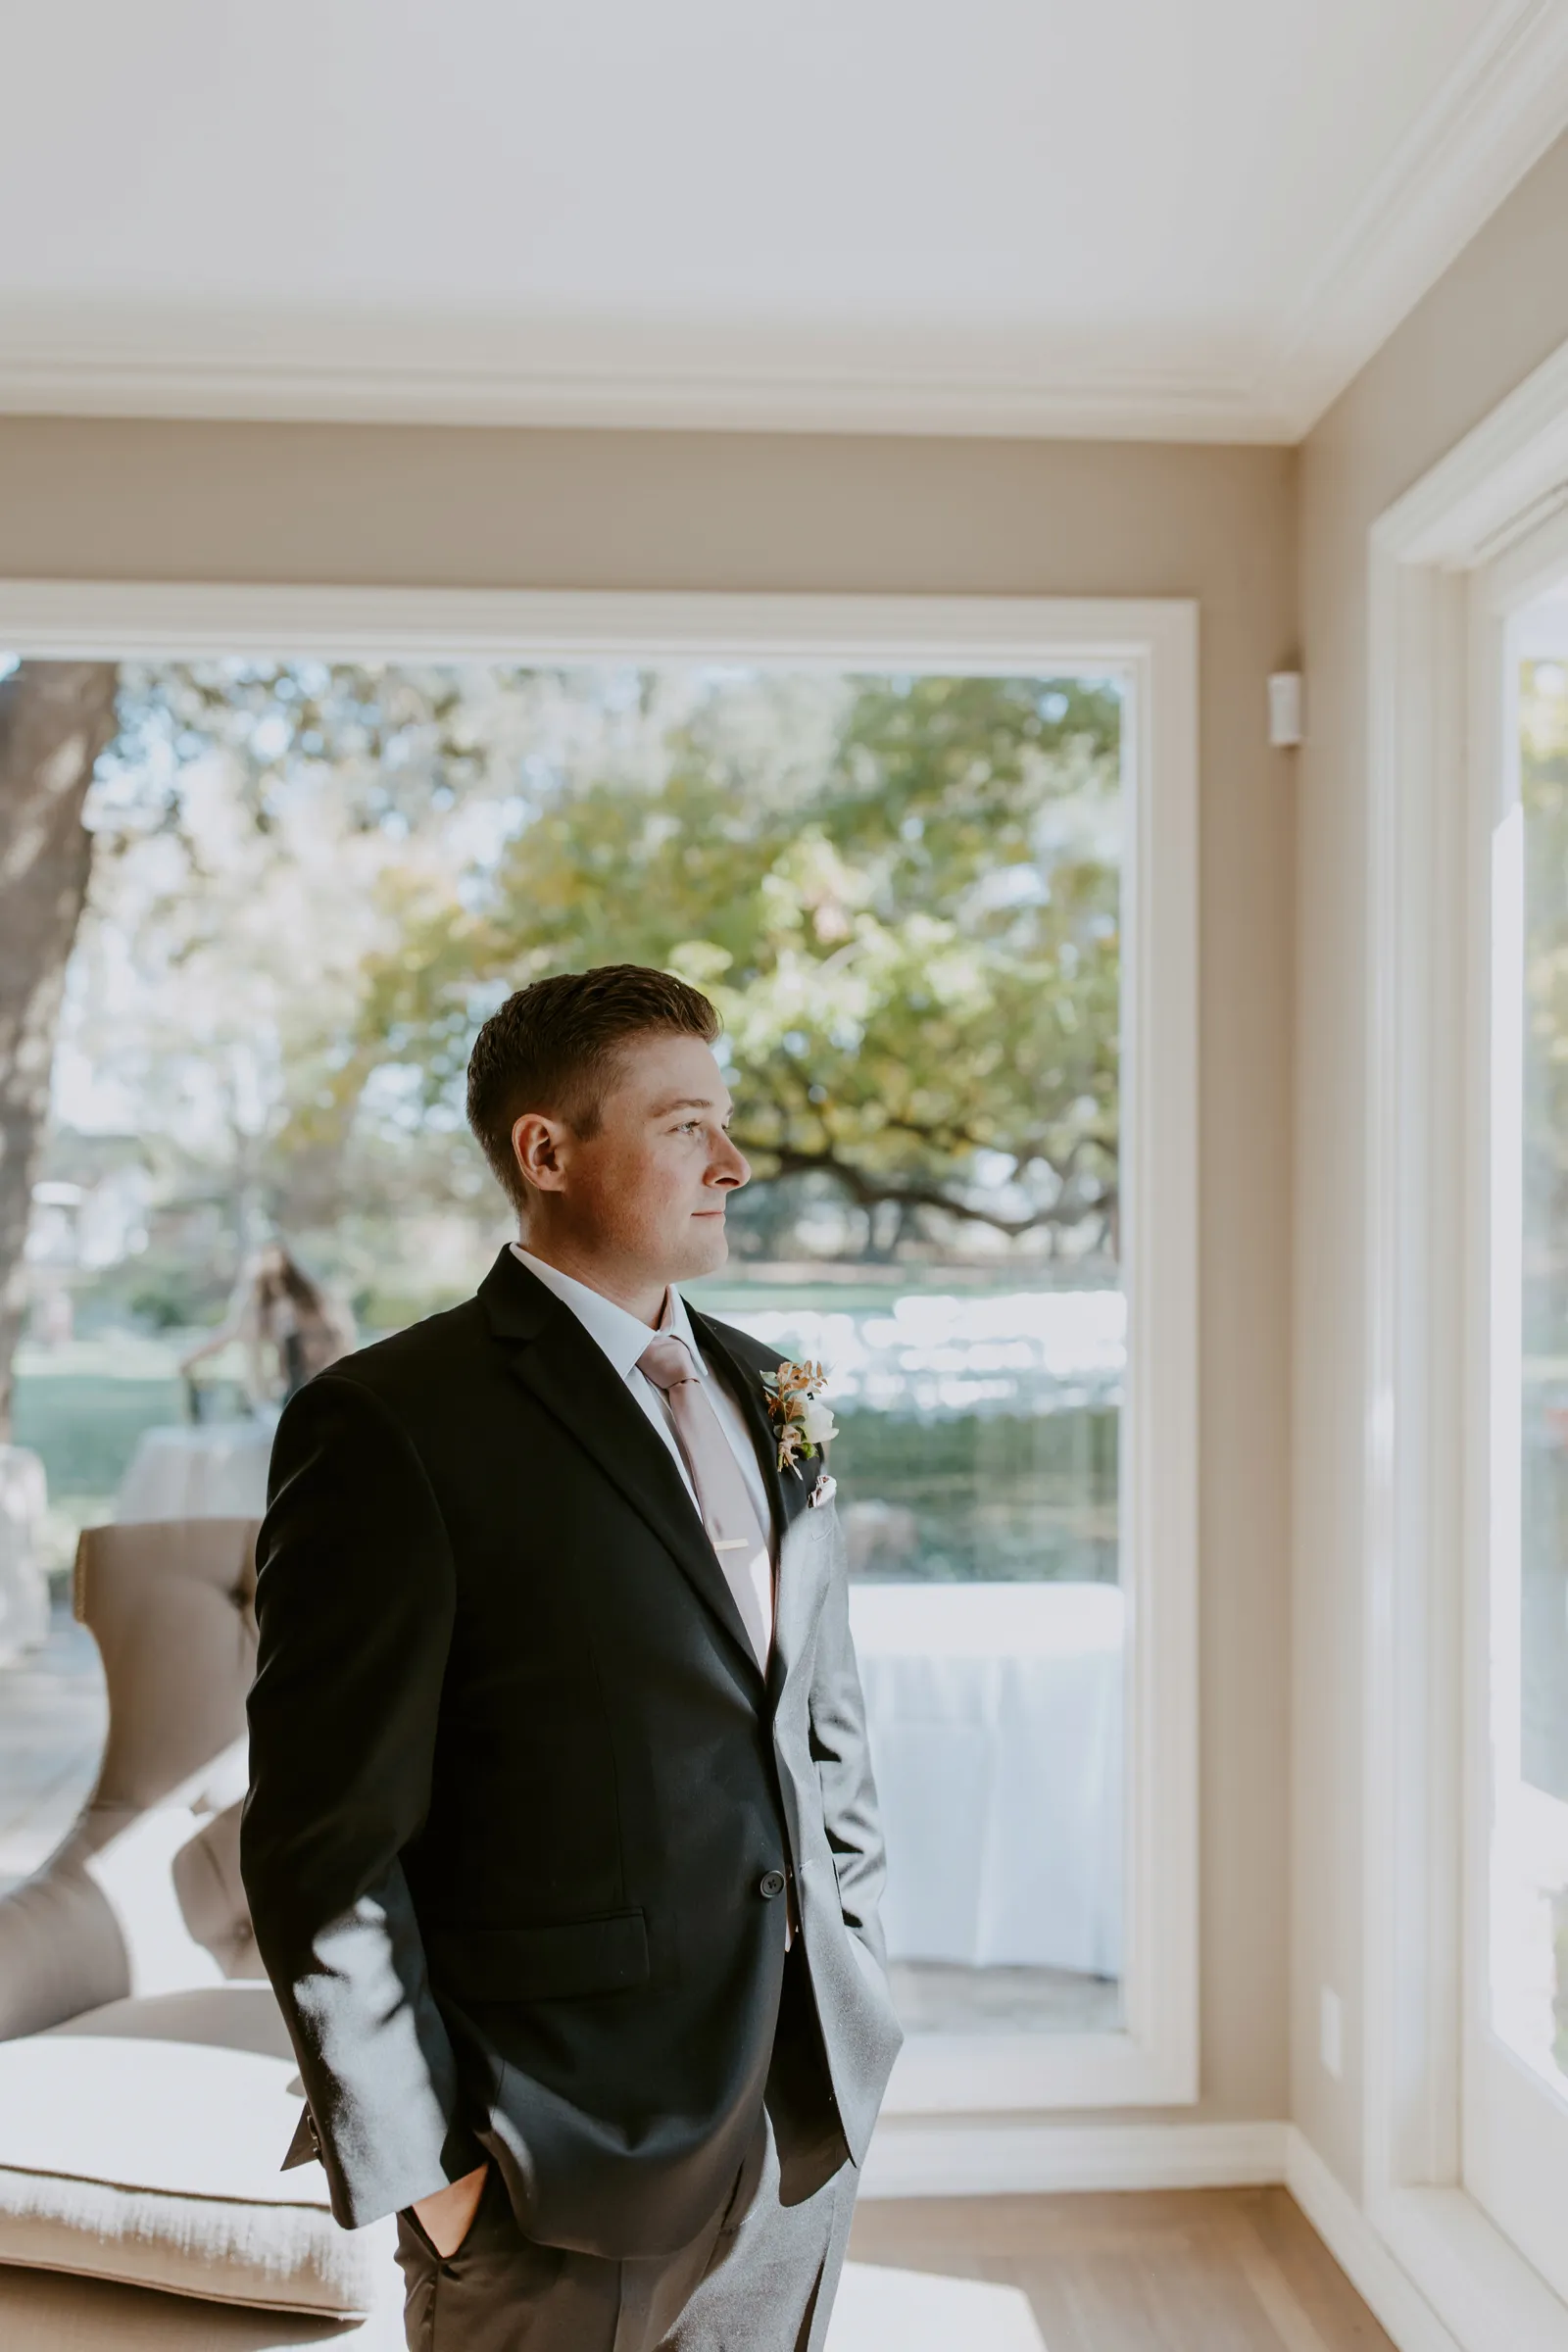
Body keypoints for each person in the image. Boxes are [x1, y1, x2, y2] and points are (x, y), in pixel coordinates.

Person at [240, 965, 901, 2352]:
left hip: (797, 2125)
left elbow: (819, 1735)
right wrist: (438, 2178)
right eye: (683, 1128)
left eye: (724, 1122)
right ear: (546, 1150)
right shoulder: (391, 1425)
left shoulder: (770, 1389)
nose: (732, 1161)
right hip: (552, 2170)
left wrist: (857, 1981)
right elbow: (322, 1847)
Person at [179, 1242, 353, 1413]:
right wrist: (191, 1359)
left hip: (320, 1385)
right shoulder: (261, 1308)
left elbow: (338, 1334)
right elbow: (231, 1332)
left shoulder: (311, 1303)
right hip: (291, 1391)